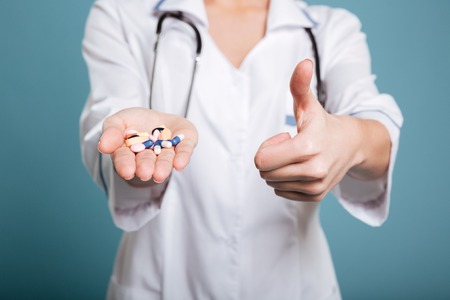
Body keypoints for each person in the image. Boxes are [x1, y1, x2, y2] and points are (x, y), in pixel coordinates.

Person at [80, 0, 403, 299]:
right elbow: (112, 137)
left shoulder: (330, 30)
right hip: (159, 284)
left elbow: (372, 123)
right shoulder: (121, 14)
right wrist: (140, 163)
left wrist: (350, 140)